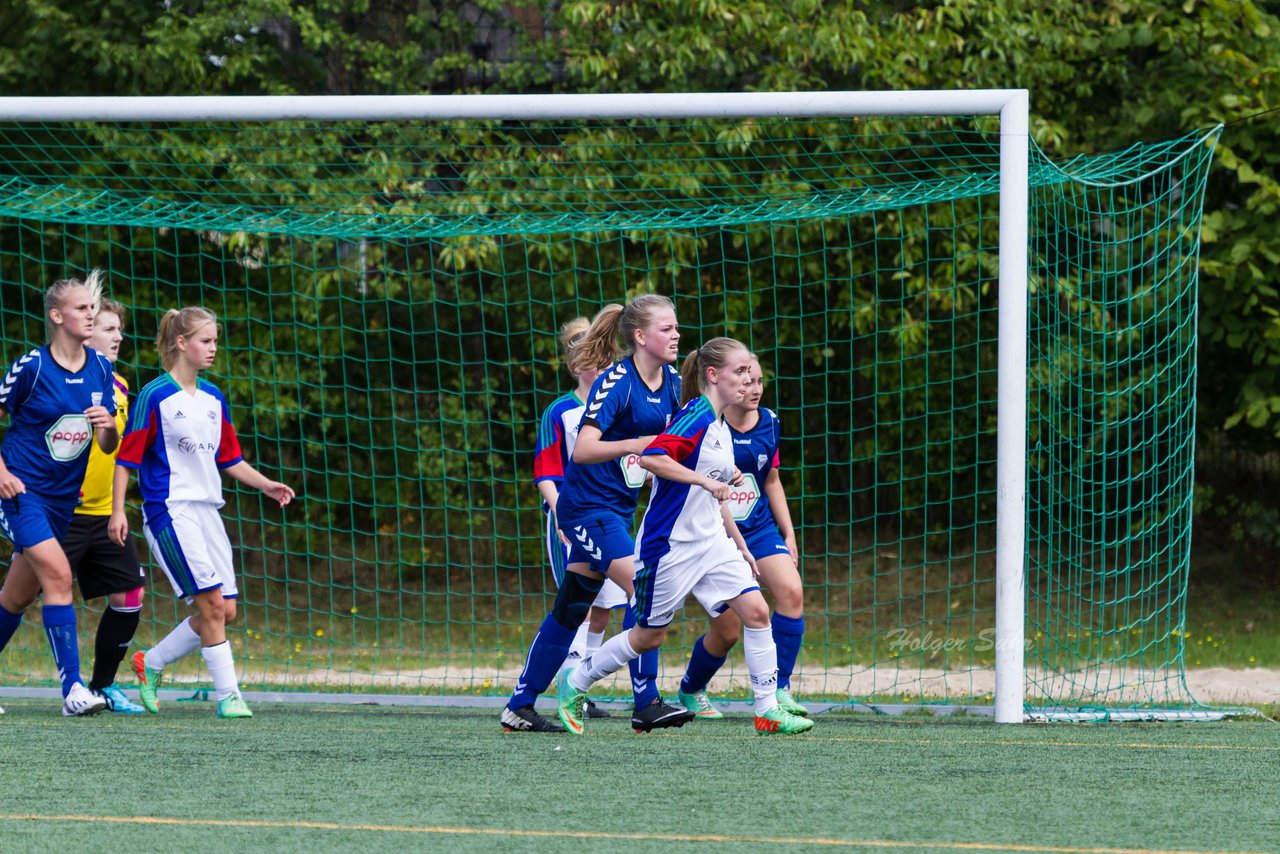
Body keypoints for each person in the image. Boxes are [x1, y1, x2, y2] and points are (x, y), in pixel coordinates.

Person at [556, 337, 813, 737]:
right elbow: (653, 458)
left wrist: (740, 541)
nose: (750, 380)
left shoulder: (721, 422)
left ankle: (768, 709)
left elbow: (714, 488)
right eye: (740, 372)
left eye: (751, 372)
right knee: (649, 634)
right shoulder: (695, 415)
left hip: (712, 543)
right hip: (670, 546)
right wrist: (704, 482)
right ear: (713, 376)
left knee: (757, 612)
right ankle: (577, 680)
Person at [502, 294, 688, 734]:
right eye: (667, 328)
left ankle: (519, 705)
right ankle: (645, 701)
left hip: (616, 513)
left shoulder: (675, 382)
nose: (676, 334)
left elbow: (686, 436)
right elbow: (583, 450)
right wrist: (635, 445)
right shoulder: (617, 382)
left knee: (570, 609)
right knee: (649, 593)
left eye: (677, 327)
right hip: (586, 512)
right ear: (640, 336)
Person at [111, 306, 294, 719]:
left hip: (209, 511)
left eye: (214, 341)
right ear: (181, 343)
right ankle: (229, 696)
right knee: (212, 605)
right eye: (205, 341)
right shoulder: (153, 395)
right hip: (170, 512)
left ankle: (150, 662)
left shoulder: (213, 398)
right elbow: (127, 460)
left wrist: (265, 483)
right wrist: (118, 511)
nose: (213, 348)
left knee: (225, 611)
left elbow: (229, 458)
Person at [0, 271, 119, 717]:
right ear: (57, 315)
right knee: (59, 576)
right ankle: (74, 690)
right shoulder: (31, 366)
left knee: (15, 598)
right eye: (83, 308)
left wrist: (107, 429)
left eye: (93, 308)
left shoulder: (101, 368)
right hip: (20, 493)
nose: (92, 314)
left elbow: (106, 445)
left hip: (62, 501)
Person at [675, 357, 808, 720]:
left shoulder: (770, 422)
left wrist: (789, 531)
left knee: (792, 592)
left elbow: (771, 480)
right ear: (724, 383)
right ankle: (690, 689)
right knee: (728, 630)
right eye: (746, 380)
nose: (755, 388)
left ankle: (778, 690)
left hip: (759, 528)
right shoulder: (704, 424)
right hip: (714, 532)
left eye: (760, 381)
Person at [533, 318, 627, 718]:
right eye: (594, 358)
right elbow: (545, 472)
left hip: (608, 517)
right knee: (578, 604)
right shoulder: (561, 411)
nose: (603, 365)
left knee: (604, 606)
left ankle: (580, 687)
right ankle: (564, 690)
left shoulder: (616, 406)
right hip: (570, 518)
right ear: (577, 364)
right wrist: (560, 514)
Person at [61, 298, 147, 713]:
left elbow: (118, 456)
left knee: (130, 593)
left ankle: (102, 686)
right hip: (60, 512)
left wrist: (118, 509)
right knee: (19, 597)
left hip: (102, 514)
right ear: (87, 332)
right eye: (110, 329)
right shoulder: (61, 379)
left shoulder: (121, 387)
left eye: (119, 330)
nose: (119, 337)